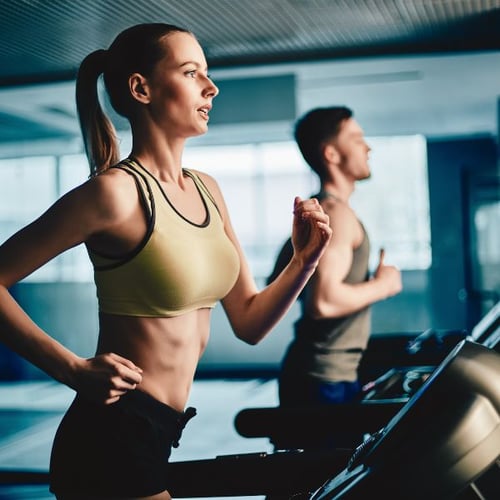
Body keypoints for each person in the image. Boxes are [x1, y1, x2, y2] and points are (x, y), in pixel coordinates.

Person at [0, 24, 332, 499]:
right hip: (111, 434)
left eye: (207, 73)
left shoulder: (208, 190)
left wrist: (304, 261)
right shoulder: (113, 194)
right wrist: (72, 370)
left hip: (160, 431)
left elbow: (250, 322)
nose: (210, 87)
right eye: (191, 71)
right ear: (142, 88)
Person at [268, 106, 402, 411]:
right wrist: (384, 285)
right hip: (323, 380)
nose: (367, 147)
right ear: (331, 154)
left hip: (320, 374)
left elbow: (276, 278)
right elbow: (323, 302)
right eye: (356, 139)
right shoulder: (336, 215)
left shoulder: (318, 213)